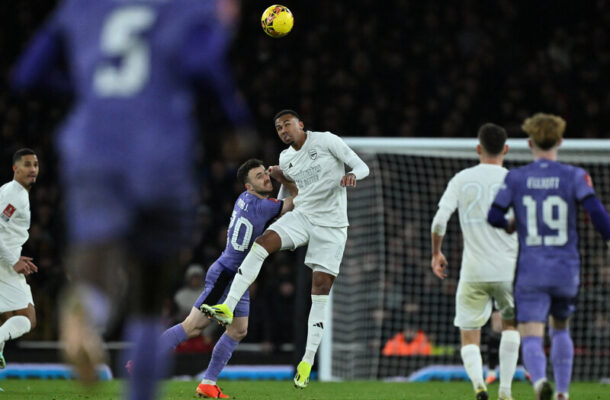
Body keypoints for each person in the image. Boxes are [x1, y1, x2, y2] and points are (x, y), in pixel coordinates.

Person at [12, 0, 249, 398]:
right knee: (148, 294)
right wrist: (237, 120)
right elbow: (203, 66)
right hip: (160, 157)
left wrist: (87, 91)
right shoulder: (184, 8)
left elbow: (26, 76)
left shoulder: (82, 6)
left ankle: (86, 308)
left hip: (91, 152)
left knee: (98, 262)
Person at [201, 109, 370, 389]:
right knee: (262, 243)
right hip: (302, 216)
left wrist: (353, 176)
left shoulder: (327, 141)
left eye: (287, 125)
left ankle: (307, 361)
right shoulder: (285, 158)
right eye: (279, 128)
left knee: (319, 289)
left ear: (301, 124)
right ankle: (227, 307)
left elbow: (361, 167)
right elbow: (289, 193)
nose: (283, 131)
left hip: (332, 226)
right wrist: (279, 197)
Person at [143, 158, 296, 398]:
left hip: (236, 276)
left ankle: (208, 383)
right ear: (249, 187)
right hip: (227, 277)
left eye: (265, 173)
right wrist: (284, 177)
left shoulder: (244, 200)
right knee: (192, 327)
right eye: (259, 177)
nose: (266, 178)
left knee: (238, 331)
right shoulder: (263, 206)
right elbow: (295, 201)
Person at [488, 113, 610, 400]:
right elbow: (596, 213)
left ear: (530, 143)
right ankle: (563, 393)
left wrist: (510, 225)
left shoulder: (517, 177)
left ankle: (540, 380)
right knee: (560, 329)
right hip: (566, 269)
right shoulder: (574, 175)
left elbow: (494, 215)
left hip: (532, 270)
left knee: (531, 334)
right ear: (560, 141)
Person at [430, 123, 520, 400]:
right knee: (511, 326)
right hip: (509, 270)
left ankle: (480, 386)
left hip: (473, 271)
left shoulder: (461, 179)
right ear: (505, 149)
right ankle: (505, 391)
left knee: (469, 335)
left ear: (478, 148)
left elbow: (439, 221)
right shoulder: (515, 180)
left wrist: (437, 253)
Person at [0, 149, 40, 370]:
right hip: (3, 263)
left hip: (5, 257)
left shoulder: (10, 191)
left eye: (35, 164)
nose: (33, 169)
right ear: (15, 168)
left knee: (4, 317)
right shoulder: (14, 195)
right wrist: (12, 260)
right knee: (27, 318)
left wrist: (14, 253)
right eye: (27, 164)